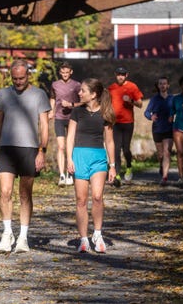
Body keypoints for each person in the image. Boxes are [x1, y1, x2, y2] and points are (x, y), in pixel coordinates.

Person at [0, 59, 51, 253]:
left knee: (25, 194)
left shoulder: (39, 95)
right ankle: (7, 232)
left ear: (28, 75)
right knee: (5, 192)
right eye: (15, 78)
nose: (18, 82)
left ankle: (23, 236)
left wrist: (42, 151)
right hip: (6, 148)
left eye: (22, 78)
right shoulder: (4, 94)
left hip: (29, 149)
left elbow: (45, 125)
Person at [66, 78, 116, 253]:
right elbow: (70, 137)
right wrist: (69, 159)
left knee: (97, 197)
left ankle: (97, 234)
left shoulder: (106, 113)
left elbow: (109, 142)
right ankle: (83, 240)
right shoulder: (77, 113)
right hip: (79, 156)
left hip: (98, 158)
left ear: (93, 94)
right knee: (81, 200)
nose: (79, 93)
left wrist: (113, 165)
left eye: (83, 91)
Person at [107, 66, 143, 185]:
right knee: (116, 149)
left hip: (128, 122)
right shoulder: (111, 88)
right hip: (115, 123)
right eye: (118, 74)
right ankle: (117, 174)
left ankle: (128, 166)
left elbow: (140, 104)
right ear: (115, 75)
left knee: (125, 149)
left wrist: (130, 101)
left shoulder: (132, 87)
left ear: (126, 75)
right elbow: (106, 103)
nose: (120, 76)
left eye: (122, 74)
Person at [49, 61, 82, 187]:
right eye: (62, 73)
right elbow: (52, 98)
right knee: (61, 147)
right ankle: (62, 175)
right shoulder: (55, 85)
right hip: (59, 118)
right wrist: (51, 111)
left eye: (67, 73)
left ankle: (70, 173)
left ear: (71, 72)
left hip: (73, 118)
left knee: (71, 147)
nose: (65, 75)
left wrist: (71, 105)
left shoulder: (77, 85)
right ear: (60, 72)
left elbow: (82, 101)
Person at [144, 77, 174, 186]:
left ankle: (165, 177)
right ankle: (161, 164)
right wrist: (151, 117)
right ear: (158, 86)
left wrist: (173, 116)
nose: (162, 85)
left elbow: (178, 110)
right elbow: (146, 112)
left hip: (169, 128)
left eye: (164, 83)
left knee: (167, 152)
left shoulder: (172, 98)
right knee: (161, 154)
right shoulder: (154, 99)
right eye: (160, 84)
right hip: (157, 129)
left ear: (168, 85)